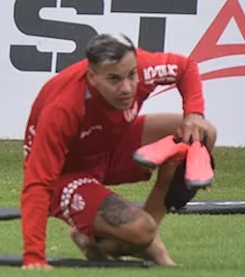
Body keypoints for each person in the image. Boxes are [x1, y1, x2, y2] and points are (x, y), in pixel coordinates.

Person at [20, 33, 218, 270]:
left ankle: (127, 238)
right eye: (114, 79)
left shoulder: (142, 67)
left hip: (109, 145)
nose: (126, 88)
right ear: (92, 77)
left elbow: (185, 67)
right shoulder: (63, 107)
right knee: (140, 231)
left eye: (131, 76)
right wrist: (34, 256)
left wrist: (194, 113)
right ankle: (143, 238)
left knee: (202, 133)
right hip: (67, 173)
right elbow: (38, 182)